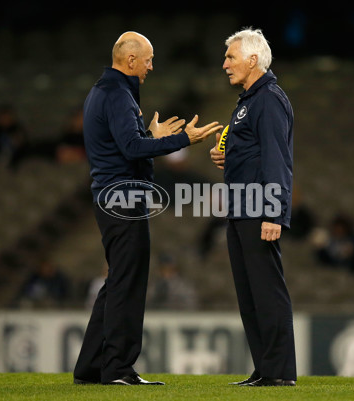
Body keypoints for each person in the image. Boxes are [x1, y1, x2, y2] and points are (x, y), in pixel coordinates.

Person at [73, 31, 222, 386]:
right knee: (129, 284)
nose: (151, 66)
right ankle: (118, 369)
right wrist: (185, 139)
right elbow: (132, 148)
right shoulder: (118, 94)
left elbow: (125, 143)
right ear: (130, 61)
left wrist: (150, 136)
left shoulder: (102, 92)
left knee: (117, 282)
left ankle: (91, 366)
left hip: (110, 198)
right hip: (124, 200)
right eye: (148, 59)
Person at [209, 28, 297, 387]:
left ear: (253, 59)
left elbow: (278, 158)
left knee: (267, 290)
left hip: (259, 209)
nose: (225, 63)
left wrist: (274, 213)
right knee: (249, 295)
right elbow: (255, 152)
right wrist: (226, 157)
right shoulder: (248, 100)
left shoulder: (269, 99)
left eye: (231, 57)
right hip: (240, 209)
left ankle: (278, 372)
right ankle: (264, 369)